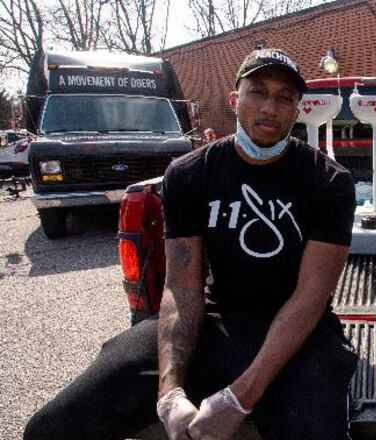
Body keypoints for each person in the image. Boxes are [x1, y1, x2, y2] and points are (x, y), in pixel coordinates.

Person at [24, 48, 358, 440]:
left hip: (300, 333)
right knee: (53, 427)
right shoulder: (189, 173)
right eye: (257, 92)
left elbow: (310, 296)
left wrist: (239, 399)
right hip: (217, 321)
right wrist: (169, 392)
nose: (270, 107)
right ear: (235, 99)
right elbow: (182, 287)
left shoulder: (329, 182)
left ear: (298, 108)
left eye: (285, 97)